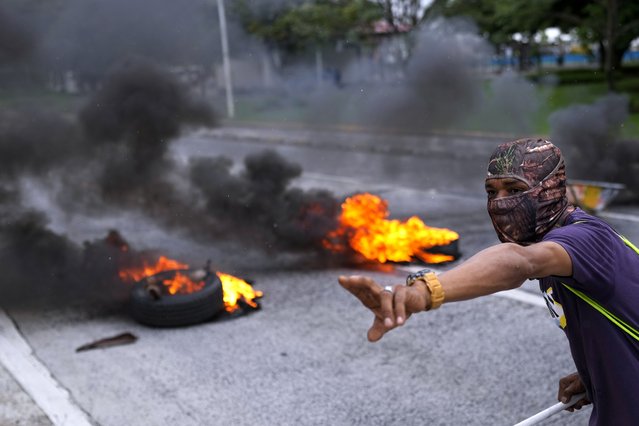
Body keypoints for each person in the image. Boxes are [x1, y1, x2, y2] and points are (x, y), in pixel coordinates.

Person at [338, 138, 639, 425]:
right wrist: (598, 374)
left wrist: (422, 293)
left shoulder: (584, 240)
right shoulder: (561, 244)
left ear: (550, 188)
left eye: (514, 189)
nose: (500, 203)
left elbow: (517, 262)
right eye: (491, 192)